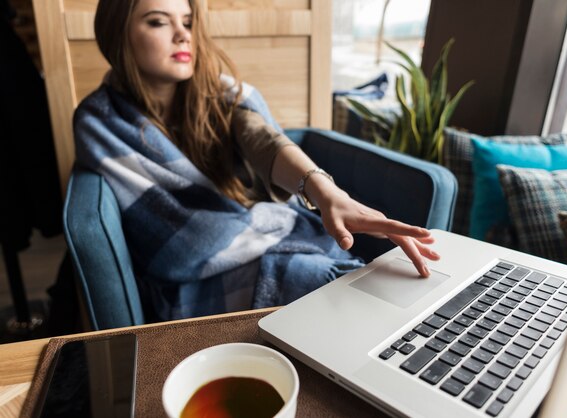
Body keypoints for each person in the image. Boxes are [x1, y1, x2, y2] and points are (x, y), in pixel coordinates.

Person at [74, 0, 440, 321]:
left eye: (187, 21)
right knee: (325, 283)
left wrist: (325, 191)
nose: (182, 35)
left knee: (356, 288)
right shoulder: (100, 121)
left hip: (264, 236)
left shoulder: (222, 93)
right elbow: (170, 232)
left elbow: (262, 139)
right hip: (190, 279)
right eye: (158, 21)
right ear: (118, 32)